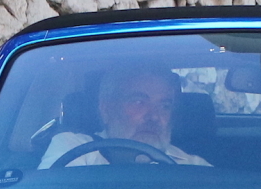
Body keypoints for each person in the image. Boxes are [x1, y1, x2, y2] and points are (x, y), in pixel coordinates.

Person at [41, 66, 212, 167]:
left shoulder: (192, 166)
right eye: (139, 102)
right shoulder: (73, 149)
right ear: (106, 109)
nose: (154, 116)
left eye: (164, 106)